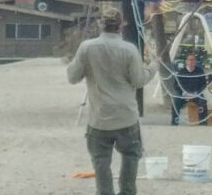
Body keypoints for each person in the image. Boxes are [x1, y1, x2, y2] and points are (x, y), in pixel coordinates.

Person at [67, 11, 156, 195]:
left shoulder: (86, 47)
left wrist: (75, 61)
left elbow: (72, 77)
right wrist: (152, 68)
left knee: (101, 162)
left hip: (99, 118)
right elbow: (139, 81)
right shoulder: (130, 49)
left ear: (100, 24)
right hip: (127, 116)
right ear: (121, 25)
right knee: (131, 156)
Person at [171, 53, 208, 126]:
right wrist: (183, 93)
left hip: (196, 94)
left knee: (203, 101)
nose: (191, 61)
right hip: (183, 95)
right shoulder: (181, 72)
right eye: (190, 60)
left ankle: (203, 123)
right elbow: (176, 85)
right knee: (175, 101)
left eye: (193, 60)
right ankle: (174, 123)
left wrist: (196, 93)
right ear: (186, 61)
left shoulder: (200, 72)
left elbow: (203, 85)